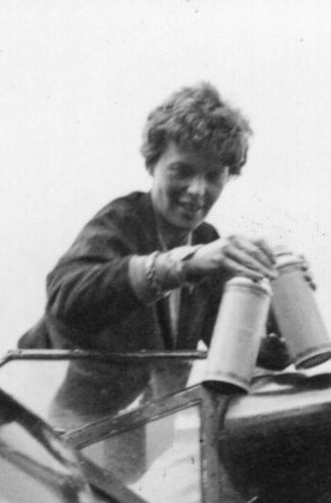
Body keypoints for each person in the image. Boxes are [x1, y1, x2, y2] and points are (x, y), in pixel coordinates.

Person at [19, 82, 289, 437]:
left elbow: (244, 350)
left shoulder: (207, 241)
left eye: (213, 176)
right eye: (182, 171)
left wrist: (282, 306)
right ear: (152, 163)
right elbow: (65, 297)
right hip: (50, 432)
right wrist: (180, 265)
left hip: (132, 438)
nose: (197, 190)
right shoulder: (121, 222)